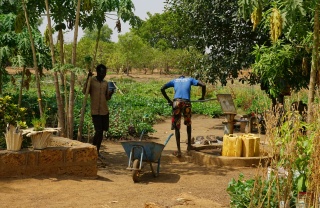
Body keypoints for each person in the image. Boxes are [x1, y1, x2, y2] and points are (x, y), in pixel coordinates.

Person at [161, 75, 206, 157]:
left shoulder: (174, 81)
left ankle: (179, 151)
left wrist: (169, 100)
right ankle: (189, 146)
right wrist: (202, 97)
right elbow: (203, 85)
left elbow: (162, 88)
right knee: (188, 124)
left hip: (176, 103)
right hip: (186, 103)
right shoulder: (190, 79)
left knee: (177, 127)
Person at [83, 64, 114, 159]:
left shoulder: (105, 83)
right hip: (95, 111)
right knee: (98, 131)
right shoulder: (92, 81)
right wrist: (88, 79)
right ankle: (93, 150)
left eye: (104, 73)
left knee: (102, 132)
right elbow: (85, 91)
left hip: (104, 111)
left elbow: (107, 98)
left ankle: (97, 151)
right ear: (97, 72)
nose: (103, 74)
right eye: (101, 72)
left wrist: (111, 94)